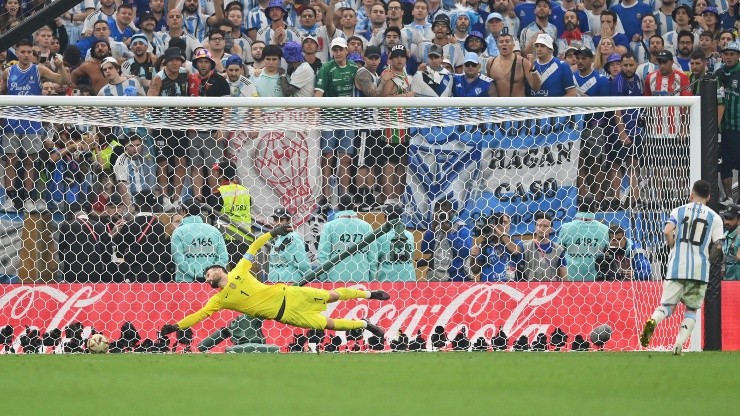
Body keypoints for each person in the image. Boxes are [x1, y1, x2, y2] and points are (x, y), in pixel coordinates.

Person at [160, 225, 390, 338]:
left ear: (219, 269)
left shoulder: (240, 270)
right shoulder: (220, 299)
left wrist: (273, 233)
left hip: (289, 294)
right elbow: (199, 315)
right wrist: (177, 326)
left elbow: (254, 246)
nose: (207, 277)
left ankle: (371, 294)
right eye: (205, 278)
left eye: (208, 273)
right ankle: (364, 324)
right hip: (285, 315)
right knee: (327, 324)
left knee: (332, 295)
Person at [640, 180, 724, 355]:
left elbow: (666, 231)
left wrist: (672, 246)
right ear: (709, 197)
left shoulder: (678, 211)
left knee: (667, 306)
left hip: (677, 266)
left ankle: (654, 321)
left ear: (691, 194)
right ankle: (678, 345)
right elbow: (718, 246)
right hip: (699, 270)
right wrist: (710, 261)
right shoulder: (715, 217)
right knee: (691, 309)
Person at [1, 39, 69, 212]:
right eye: (22, 52)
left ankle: (29, 200)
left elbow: (64, 81)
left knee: (31, 162)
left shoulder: (38, 69)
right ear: (17, 53)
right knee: (11, 160)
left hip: (32, 122)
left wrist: (60, 66)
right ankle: (10, 200)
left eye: (29, 52)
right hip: (11, 122)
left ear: (32, 53)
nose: (26, 55)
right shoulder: (8, 72)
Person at [148, 47, 190, 212]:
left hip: (180, 125)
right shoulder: (158, 78)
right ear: (166, 61)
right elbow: (150, 100)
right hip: (162, 125)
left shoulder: (185, 73)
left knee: (181, 161)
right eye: (172, 60)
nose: (175, 62)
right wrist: (150, 123)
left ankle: (177, 198)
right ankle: (165, 198)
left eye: (178, 59)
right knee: (163, 161)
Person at [112, 190, 173, 282]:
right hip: (155, 274)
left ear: (138, 203)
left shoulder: (130, 225)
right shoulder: (160, 225)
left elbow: (119, 251)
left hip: (135, 273)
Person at [318, 195, 377, 282]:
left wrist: (324, 279)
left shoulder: (329, 227)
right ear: (353, 206)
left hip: (336, 279)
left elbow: (323, 254)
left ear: (338, 206)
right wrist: (372, 278)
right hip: (361, 279)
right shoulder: (366, 227)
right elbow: (373, 256)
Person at [171, 202, 228, 283]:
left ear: (184, 211)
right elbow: (223, 257)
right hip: (212, 281)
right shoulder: (214, 231)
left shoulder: (179, 232)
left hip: (186, 282)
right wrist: (211, 275)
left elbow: (178, 258)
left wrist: (195, 274)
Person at [211, 160, 253, 269]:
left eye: (217, 172)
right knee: (242, 272)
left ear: (221, 174)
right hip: (246, 237)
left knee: (227, 271)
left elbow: (211, 215)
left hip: (228, 237)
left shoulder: (218, 193)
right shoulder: (245, 191)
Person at [558, 196, 610, 281]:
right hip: (595, 279)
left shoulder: (566, 228)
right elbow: (608, 252)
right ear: (595, 208)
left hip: (570, 279)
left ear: (578, 208)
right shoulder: (604, 229)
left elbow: (558, 252)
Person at [715, 41, 740, 206]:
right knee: (725, 165)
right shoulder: (719, 73)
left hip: (739, 127)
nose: (728, 57)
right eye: (726, 54)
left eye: (732, 54)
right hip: (725, 129)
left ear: (738, 56)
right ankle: (729, 197)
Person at [471, 212, 524, 282]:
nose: (502, 225)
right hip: (488, 287)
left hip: (509, 287)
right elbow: (475, 270)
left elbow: (515, 251)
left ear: (509, 225)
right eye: (499, 222)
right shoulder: (484, 246)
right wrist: (473, 256)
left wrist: (501, 234)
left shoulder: (516, 242)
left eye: (505, 222)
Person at [487, 32, 540, 97]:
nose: (504, 44)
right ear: (497, 46)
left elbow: (536, 88)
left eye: (507, 41)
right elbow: (488, 87)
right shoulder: (491, 62)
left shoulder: (523, 62)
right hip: (498, 106)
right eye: (501, 42)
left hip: (518, 105)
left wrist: (533, 69)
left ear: (513, 45)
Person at [267, 207, 311, 283]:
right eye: (275, 220)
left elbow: (303, 264)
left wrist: (310, 281)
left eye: (281, 220)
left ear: (288, 220)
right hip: (274, 284)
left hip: (290, 284)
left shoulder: (293, 238)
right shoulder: (275, 238)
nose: (278, 223)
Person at [375, 204, 416, 282]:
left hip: (388, 281)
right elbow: (412, 255)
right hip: (409, 280)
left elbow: (375, 260)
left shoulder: (382, 236)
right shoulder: (410, 235)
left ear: (386, 218)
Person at [522, 211, 566, 282]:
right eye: (539, 225)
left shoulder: (558, 250)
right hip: (531, 290)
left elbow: (564, 276)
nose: (541, 229)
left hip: (551, 290)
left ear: (551, 229)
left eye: (545, 226)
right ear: (535, 227)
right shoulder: (525, 247)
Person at [722, 205, 740, 280]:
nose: (727, 222)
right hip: (727, 276)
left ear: (739, 220)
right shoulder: (724, 235)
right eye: (725, 218)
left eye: (731, 219)